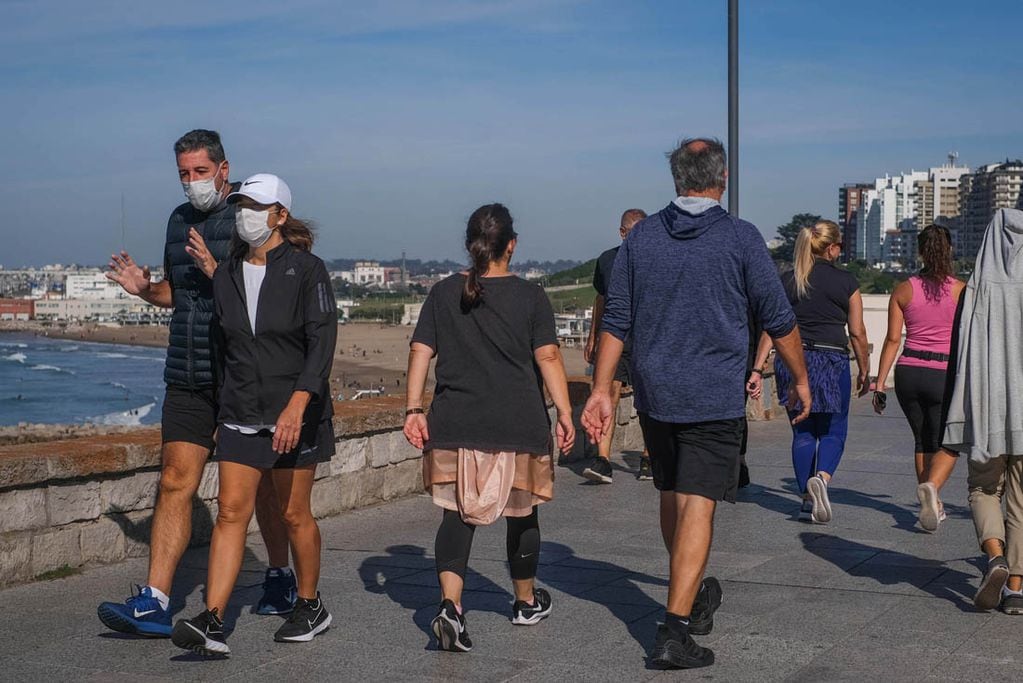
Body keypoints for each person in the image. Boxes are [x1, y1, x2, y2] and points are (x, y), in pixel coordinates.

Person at [582, 138, 810, 669]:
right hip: (713, 392)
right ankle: (674, 631)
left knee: (672, 492)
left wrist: (599, 389)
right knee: (698, 502)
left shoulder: (642, 240)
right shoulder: (740, 237)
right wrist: (799, 378)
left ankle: (693, 589)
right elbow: (779, 319)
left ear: (676, 178)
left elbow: (616, 318)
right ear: (722, 178)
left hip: (657, 391)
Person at [99, 131, 293, 638]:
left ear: (223, 169)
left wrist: (218, 273)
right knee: (173, 481)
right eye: (184, 173)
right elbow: (179, 295)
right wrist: (144, 290)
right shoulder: (177, 221)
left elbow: (268, 297)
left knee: (263, 489)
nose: (192, 183)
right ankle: (156, 601)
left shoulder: (248, 219)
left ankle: (280, 574)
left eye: (200, 172)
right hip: (186, 373)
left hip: (239, 376)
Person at [171, 174, 338, 655]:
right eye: (240, 204)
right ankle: (214, 619)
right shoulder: (225, 273)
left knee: (292, 514)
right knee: (230, 514)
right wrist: (222, 410)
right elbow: (227, 345)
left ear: (279, 215)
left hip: (296, 413)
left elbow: (321, 343)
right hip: (242, 412)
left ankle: (310, 603)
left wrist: (299, 403)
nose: (244, 213)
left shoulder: (308, 270)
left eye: (255, 205)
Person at [403, 203, 575, 653]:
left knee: (457, 514)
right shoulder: (531, 296)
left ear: (470, 245)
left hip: (456, 420)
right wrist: (566, 413)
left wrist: (412, 409)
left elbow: (421, 350)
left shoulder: (442, 292)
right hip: (517, 421)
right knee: (523, 516)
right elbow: (549, 358)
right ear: (511, 245)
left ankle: (450, 606)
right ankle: (524, 602)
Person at [749, 221, 869, 524]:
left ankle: (806, 498)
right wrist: (865, 370)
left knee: (802, 432)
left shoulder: (788, 280)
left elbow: (770, 328)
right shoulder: (847, 282)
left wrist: (755, 368)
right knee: (834, 430)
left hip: (793, 361)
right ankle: (822, 479)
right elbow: (857, 332)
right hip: (831, 361)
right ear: (832, 248)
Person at [943, 208, 1023, 614]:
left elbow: (962, 356)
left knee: (983, 488)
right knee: (1022, 500)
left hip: (990, 410)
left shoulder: (976, 288)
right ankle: (1016, 588)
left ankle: (994, 556)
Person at [873, 225, 964, 532]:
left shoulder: (903, 289)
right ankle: (933, 491)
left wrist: (879, 383)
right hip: (943, 373)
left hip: (909, 372)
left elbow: (891, 340)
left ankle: (932, 507)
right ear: (948, 250)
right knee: (949, 442)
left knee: (922, 439)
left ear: (921, 251)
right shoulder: (961, 291)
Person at [582, 208, 651, 483]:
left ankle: (649, 457)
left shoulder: (657, 260)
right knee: (607, 393)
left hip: (646, 339)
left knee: (646, 399)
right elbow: (601, 300)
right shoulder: (607, 260)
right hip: (615, 340)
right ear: (622, 233)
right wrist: (592, 337)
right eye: (634, 233)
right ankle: (603, 460)